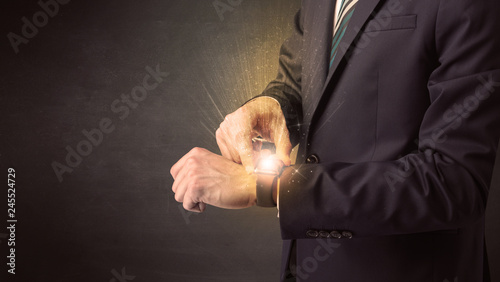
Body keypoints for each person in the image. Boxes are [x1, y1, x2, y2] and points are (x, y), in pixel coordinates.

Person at [171, 0, 500, 281]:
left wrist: (268, 187)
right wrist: (272, 105)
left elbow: (456, 182)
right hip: (304, 263)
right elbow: (306, 81)